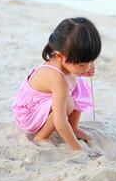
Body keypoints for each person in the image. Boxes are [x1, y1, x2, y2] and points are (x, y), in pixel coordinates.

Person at [12, 17, 102, 152]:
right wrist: (79, 149)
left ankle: (73, 127)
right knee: (68, 103)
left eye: (91, 61)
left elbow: (72, 74)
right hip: (29, 112)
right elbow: (60, 121)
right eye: (83, 64)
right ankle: (42, 136)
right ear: (60, 56)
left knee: (80, 85)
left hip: (44, 103)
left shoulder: (65, 63)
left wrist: (82, 72)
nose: (89, 67)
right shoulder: (56, 78)